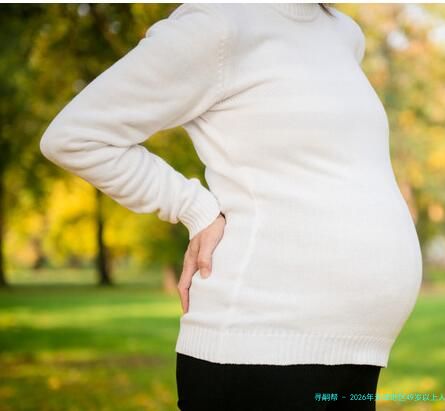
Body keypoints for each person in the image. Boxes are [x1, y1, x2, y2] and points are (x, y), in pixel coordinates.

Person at [39, 3, 423, 410]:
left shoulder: (343, 34)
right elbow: (76, 135)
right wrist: (194, 208)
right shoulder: (217, 24)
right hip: (260, 348)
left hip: (355, 353)